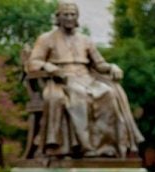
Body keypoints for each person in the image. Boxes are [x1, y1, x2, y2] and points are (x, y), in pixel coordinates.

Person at [27, 2, 143, 159]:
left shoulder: (85, 40)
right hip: (63, 79)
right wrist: (49, 67)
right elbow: (33, 62)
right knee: (78, 97)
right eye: (65, 14)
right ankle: (85, 147)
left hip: (87, 77)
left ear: (77, 18)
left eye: (72, 14)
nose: (69, 18)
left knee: (108, 94)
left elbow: (99, 64)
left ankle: (106, 147)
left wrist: (112, 67)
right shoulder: (46, 39)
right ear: (58, 17)